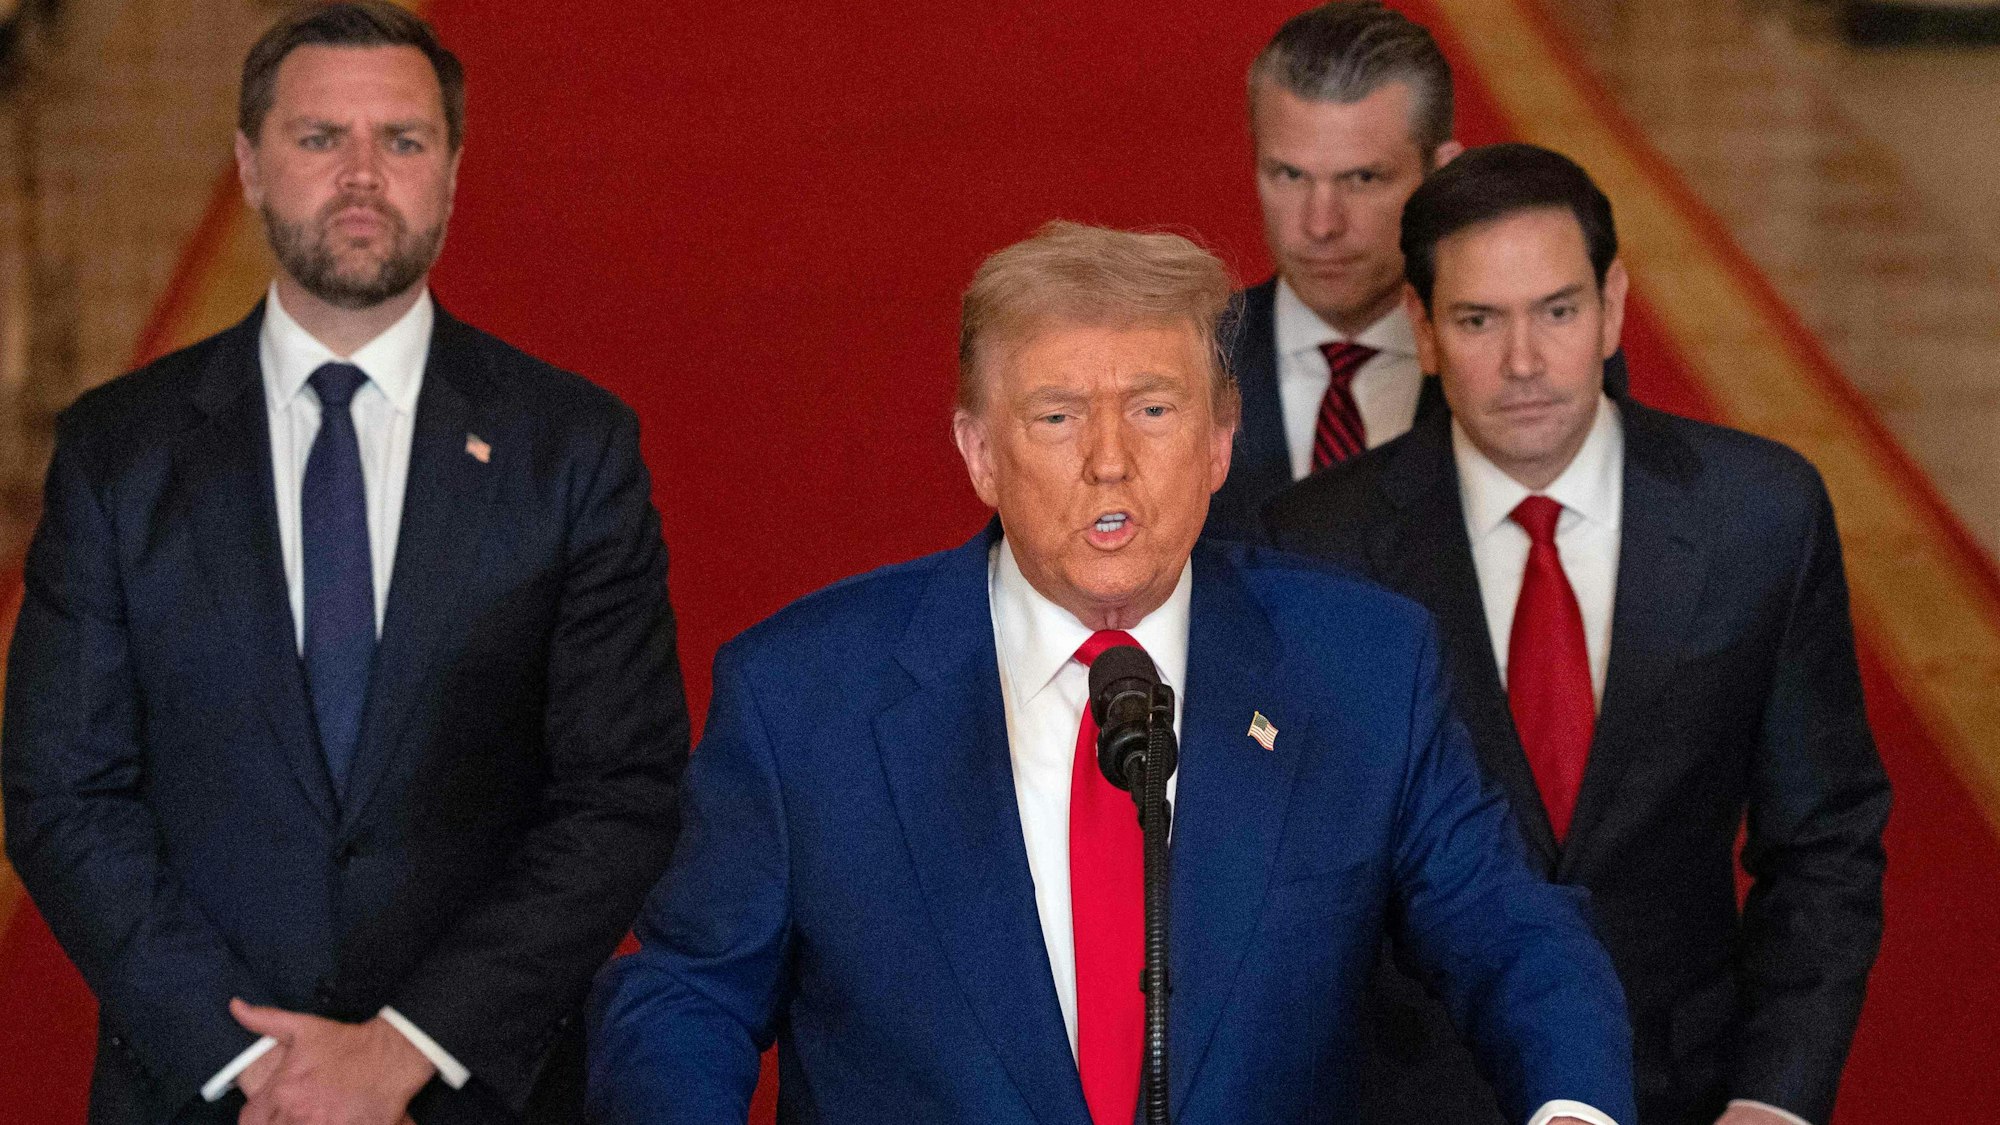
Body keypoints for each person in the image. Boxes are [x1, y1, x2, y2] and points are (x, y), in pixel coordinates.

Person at [586, 220, 1636, 1125]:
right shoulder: (805, 694)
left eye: (1152, 409)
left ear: (1220, 443)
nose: (1106, 460)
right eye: (1054, 416)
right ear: (979, 453)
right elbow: (687, 995)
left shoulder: (1357, 666)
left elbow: (1512, 934)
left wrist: (1573, 1106)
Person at [1, 4, 688, 1123]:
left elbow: (620, 793)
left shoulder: (570, 450)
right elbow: (62, 793)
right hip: (198, 1093)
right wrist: (258, 1066)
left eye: (403, 141)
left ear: (454, 171)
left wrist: (404, 1049)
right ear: (250, 163)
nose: (362, 175)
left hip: (466, 1096)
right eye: (321, 138)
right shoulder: (117, 452)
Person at [1264, 144, 1890, 1125]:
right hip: (1411, 1098)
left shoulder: (1758, 516)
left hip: (1682, 1093)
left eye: (1555, 311)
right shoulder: (1312, 548)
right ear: (1422, 332)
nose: (1523, 363)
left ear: (1611, 305)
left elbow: (1823, 841)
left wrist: (1773, 1098)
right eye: (1478, 320)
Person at [1207, 2, 1626, 541]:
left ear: (1441, 172)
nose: (1320, 224)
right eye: (1289, 175)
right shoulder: (1193, 358)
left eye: (1363, 179)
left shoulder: (1550, 363)